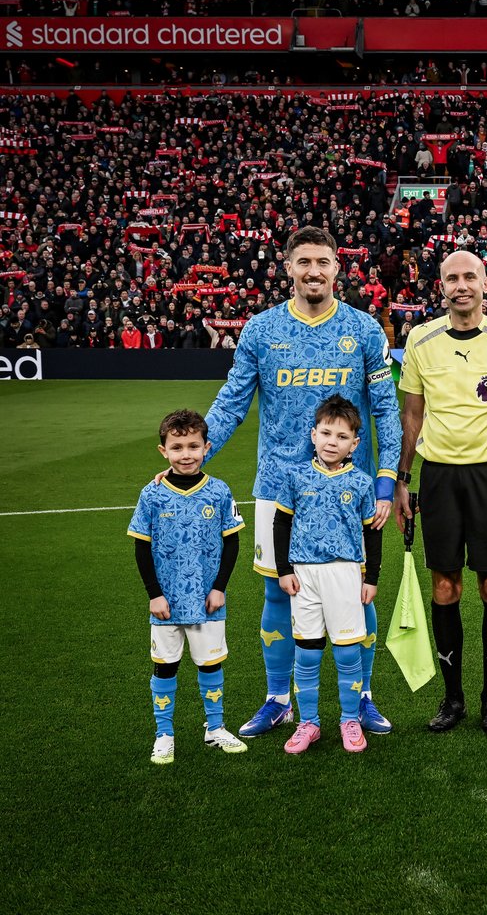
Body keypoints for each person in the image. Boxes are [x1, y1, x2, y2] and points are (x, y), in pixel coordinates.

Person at [203, 226, 401, 738]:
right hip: (279, 487)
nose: (314, 271)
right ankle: (278, 700)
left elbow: (385, 409)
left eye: (324, 262)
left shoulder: (364, 330)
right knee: (277, 593)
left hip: (347, 489)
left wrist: (384, 480)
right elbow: (232, 401)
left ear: (338, 268)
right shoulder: (260, 330)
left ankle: (362, 699)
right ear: (287, 267)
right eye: (304, 262)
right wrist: (198, 450)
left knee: (359, 592)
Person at [396, 251, 487, 735]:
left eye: (469, 277)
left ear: (485, 283)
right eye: (452, 278)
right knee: (444, 585)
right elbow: (411, 416)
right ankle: (452, 698)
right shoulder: (420, 339)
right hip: (439, 478)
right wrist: (403, 479)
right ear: (441, 287)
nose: (461, 285)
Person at [128, 409, 247, 765]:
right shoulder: (152, 494)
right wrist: (154, 594)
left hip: (208, 600)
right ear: (163, 451)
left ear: (206, 447)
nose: (186, 454)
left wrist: (219, 588)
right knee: (165, 667)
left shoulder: (219, 491)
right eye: (177, 446)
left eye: (193, 445)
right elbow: (141, 546)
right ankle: (164, 734)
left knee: (210, 665)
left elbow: (232, 543)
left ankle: (215, 728)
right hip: (166, 603)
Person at [273, 396, 383, 754]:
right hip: (303, 575)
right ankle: (309, 723)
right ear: (313, 435)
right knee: (306, 652)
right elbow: (281, 523)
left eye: (341, 436)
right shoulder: (295, 476)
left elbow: (372, 533)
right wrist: (284, 570)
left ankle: (349, 720)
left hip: (345, 573)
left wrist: (371, 578)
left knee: (347, 651)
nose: (332, 441)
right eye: (325, 433)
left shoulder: (363, 482)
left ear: (355, 443)